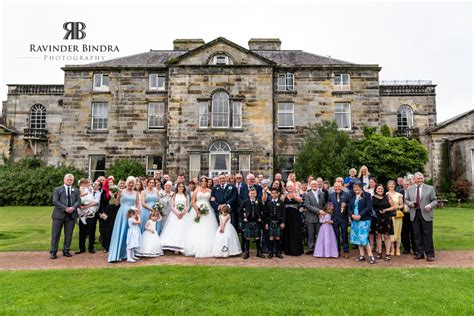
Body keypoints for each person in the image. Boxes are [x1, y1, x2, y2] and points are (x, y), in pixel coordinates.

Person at [405, 172, 437, 261]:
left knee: (427, 235)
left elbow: (435, 201)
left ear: (423, 179)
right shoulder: (410, 189)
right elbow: (406, 199)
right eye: (418, 179)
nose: (420, 180)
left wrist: (430, 205)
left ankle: (430, 254)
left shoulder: (430, 188)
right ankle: (419, 253)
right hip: (414, 214)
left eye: (421, 178)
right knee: (417, 234)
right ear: (414, 180)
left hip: (426, 213)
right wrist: (409, 203)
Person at [184, 177, 219, 258]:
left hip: (208, 211)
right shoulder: (197, 190)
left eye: (205, 181)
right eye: (202, 181)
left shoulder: (209, 191)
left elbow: (212, 199)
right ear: (200, 182)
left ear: (207, 183)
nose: (203, 183)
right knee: (196, 228)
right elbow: (193, 201)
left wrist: (213, 199)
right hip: (197, 209)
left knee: (208, 228)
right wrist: (197, 211)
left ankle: (209, 247)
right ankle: (195, 247)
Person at [108, 176, 140, 262]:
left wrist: (138, 214)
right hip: (122, 213)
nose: (131, 184)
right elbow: (116, 203)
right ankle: (119, 253)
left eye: (132, 183)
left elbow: (137, 204)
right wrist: (112, 196)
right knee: (121, 232)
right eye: (129, 182)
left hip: (132, 213)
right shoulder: (121, 191)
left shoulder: (136, 193)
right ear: (127, 183)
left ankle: (130, 254)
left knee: (131, 234)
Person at [50, 174, 81, 259]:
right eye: (68, 179)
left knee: (68, 234)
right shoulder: (57, 189)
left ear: (73, 181)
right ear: (64, 180)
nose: (69, 181)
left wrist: (73, 207)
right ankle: (53, 252)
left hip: (71, 216)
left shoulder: (76, 190)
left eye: (71, 180)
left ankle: (66, 250)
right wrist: (65, 208)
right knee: (55, 234)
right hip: (58, 215)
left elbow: (79, 201)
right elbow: (55, 201)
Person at [349, 181, 375, 264]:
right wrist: (352, 215)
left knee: (363, 237)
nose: (356, 188)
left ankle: (370, 256)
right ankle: (362, 255)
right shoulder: (352, 196)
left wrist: (360, 215)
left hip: (364, 220)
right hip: (354, 220)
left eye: (358, 187)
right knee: (357, 237)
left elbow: (369, 207)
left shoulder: (367, 195)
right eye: (354, 187)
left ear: (361, 187)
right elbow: (348, 208)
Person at [160, 182, 190, 253]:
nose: (181, 188)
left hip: (184, 214)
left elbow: (188, 206)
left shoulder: (186, 196)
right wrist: (176, 213)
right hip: (175, 214)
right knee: (175, 229)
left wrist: (183, 213)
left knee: (183, 230)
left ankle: (182, 246)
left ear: (184, 188)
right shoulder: (174, 195)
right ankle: (175, 247)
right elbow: (172, 206)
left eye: (182, 187)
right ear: (177, 188)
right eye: (180, 187)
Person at [239, 187, 265, 259]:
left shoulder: (259, 201)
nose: (252, 194)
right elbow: (239, 210)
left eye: (254, 193)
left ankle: (258, 252)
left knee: (257, 237)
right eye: (251, 193)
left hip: (256, 222)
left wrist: (261, 217)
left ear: (256, 194)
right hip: (248, 222)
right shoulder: (246, 201)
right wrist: (244, 218)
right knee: (247, 237)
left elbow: (264, 210)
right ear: (249, 194)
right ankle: (247, 253)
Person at [373, 184, 396, 261]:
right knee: (378, 236)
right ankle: (379, 253)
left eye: (381, 189)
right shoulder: (372, 198)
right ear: (376, 190)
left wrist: (386, 210)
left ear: (384, 190)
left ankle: (387, 254)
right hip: (377, 219)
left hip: (387, 218)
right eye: (378, 189)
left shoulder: (388, 196)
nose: (380, 190)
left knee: (387, 236)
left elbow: (394, 207)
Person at [76, 179, 100, 254]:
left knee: (91, 231)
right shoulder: (80, 190)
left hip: (91, 213)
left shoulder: (95, 192)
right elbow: (77, 199)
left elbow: (96, 202)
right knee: (82, 231)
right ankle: (81, 248)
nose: (88, 184)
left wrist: (86, 206)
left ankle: (91, 247)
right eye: (87, 183)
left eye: (90, 183)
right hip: (82, 213)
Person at [328, 181, 351, 258]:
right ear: (334, 187)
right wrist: (329, 210)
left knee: (344, 235)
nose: (337, 188)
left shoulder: (347, 195)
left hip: (343, 218)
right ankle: (337, 251)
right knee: (336, 235)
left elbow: (350, 206)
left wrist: (346, 205)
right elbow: (329, 206)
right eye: (336, 187)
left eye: (339, 186)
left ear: (342, 187)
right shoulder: (330, 195)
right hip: (334, 218)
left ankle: (346, 251)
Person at [303, 180, 326, 255]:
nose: (314, 185)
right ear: (310, 185)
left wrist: (323, 211)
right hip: (310, 217)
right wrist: (319, 211)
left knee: (319, 233)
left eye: (315, 184)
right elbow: (307, 205)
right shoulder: (307, 194)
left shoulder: (322, 193)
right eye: (312, 184)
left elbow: (323, 204)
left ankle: (318, 248)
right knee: (311, 234)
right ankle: (311, 248)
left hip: (320, 217)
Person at [283, 182, 304, 256]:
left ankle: (296, 250)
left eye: (291, 187)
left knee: (295, 231)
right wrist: (284, 197)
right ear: (286, 188)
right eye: (288, 187)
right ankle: (288, 250)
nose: (290, 188)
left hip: (295, 215)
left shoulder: (296, 193)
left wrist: (294, 197)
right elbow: (282, 202)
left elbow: (301, 201)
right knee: (287, 231)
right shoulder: (284, 195)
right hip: (286, 215)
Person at [264, 188, 285, 259]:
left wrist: (283, 222)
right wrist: (266, 223)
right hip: (271, 222)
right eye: (272, 193)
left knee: (278, 237)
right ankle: (271, 252)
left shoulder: (281, 202)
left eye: (275, 193)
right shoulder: (269, 203)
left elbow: (283, 214)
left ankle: (278, 252)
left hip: (278, 222)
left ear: (278, 193)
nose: (274, 194)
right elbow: (266, 214)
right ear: (271, 194)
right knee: (271, 237)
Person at [387, 180, 404, 256]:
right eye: (390, 184)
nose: (391, 186)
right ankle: (392, 249)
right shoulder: (386, 194)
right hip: (389, 215)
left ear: (394, 186)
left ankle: (397, 249)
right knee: (391, 232)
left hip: (397, 215)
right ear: (388, 186)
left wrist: (396, 207)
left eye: (392, 184)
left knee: (398, 232)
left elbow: (402, 205)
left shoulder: (399, 195)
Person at [400, 179, 416, 254]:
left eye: (407, 184)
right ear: (402, 185)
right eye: (404, 184)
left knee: (413, 231)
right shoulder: (400, 193)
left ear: (410, 185)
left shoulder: (414, 192)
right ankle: (406, 248)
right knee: (404, 232)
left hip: (412, 213)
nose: (406, 186)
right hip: (403, 214)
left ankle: (415, 248)